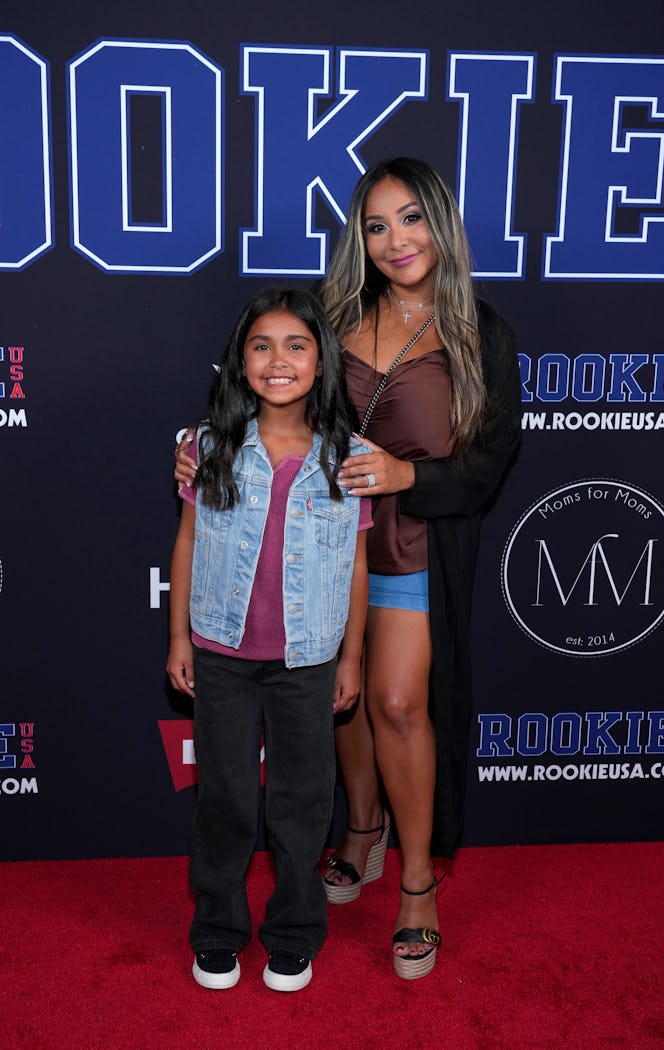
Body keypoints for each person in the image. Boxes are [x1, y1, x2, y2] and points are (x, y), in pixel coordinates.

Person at [176, 157, 521, 981]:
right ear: (358, 240)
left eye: (410, 219)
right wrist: (198, 454)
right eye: (376, 224)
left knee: (398, 702)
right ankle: (359, 832)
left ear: (440, 222)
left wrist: (413, 477)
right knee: (340, 703)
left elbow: (494, 457)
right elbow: (260, 386)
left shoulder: (480, 330)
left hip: (410, 545)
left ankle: (415, 887)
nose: (395, 240)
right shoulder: (332, 315)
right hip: (313, 545)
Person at [167, 288, 372, 993]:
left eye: (296, 346)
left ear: (321, 362)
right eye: (262, 345)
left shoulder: (350, 457)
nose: (277, 360)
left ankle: (293, 931)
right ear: (239, 360)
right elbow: (189, 541)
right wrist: (180, 640)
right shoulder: (210, 447)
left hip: (309, 660)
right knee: (224, 800)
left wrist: (350, 657)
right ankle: (218, 929)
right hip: (222, 653)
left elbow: (356, 565)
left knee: (302, 802)